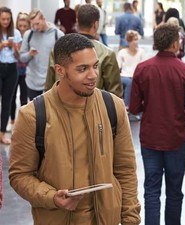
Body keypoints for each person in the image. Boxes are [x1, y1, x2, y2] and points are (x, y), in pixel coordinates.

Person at [9, 33, 141, 225]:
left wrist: (131, 220)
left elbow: (125, 170)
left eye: (95, 66)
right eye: (82, 69)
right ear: (60, 70)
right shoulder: (33, 115)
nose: (93, 75)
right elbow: (20, 176)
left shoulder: (113, 107)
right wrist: (52, 197)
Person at [129, 23, 185, 225]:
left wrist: (150, 108)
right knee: (175, 191)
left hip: (150, 138)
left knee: (151, 190)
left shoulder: (142, 69)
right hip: (176, 138)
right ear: (176, 43)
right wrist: (180, 115)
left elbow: (134, 108)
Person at [45, 4, 123, 98]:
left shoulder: (57, 50)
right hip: (93, 109)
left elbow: (49, 87)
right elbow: (114, 94)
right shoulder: (107, 53)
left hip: (60, 107)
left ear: (77, 21)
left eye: (95, 66)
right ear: (96, 24)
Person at [19, 9, 64, 101]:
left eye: (37, 23)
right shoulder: (29, 34)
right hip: (32, 81)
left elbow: (64, 59)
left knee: (50, 113)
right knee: (35, 113)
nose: (35, 27)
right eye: (33, 25)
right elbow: (22, 58)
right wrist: (29, 54)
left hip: (50, 83)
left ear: (44, 19)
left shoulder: (58, 35)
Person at [0, 7, 22, 144]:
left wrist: (15, 47)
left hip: (12, 68)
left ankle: (2, 133)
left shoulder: (16, 33)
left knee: (7, 101)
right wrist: (1, 46)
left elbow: (18, 56)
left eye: (8, 19)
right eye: (3, 19)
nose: (6, 21)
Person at [9, 12, 30, 131]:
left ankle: (22, 122)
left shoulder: (30, 37)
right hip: (15, 69)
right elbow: (14, 56)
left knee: (24, 97)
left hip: (26, 70)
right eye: (20, 26)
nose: (22, 28)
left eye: (24, 26)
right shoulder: (15, 37)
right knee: (12, 96)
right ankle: (12, 121)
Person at [116, 30, 146, 110]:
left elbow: (144, 67)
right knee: (130, 82)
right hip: (124, 76)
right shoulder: (122, 52)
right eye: (132, 40)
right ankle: (126, 106)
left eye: (136, 39)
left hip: (137, 76)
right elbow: (117, 67)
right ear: (128, 41)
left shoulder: (141, 52)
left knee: (134, 82)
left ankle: (136, 105)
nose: (135, 42)